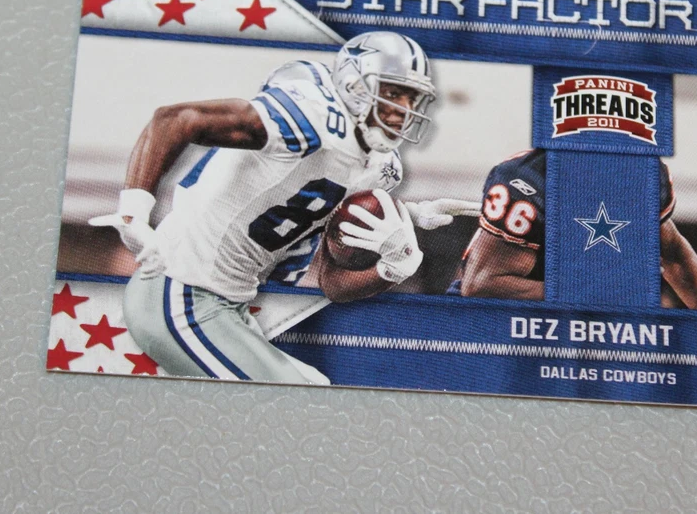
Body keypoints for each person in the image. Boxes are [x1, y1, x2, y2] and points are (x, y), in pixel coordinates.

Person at [90, 31, 440, 384]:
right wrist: (134, 209)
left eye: (413, 99)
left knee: (318, 387)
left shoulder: (381, 168)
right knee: (295, 399)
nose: (404, 111)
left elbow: (332, 284)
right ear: (354, 85)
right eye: (393, 94)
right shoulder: (312, 114)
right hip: (178, 293)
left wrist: (393, 266)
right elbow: (174, 119)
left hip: (227, 307)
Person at [451, 149, 697, 310]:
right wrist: (594, 292)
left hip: (574, 318)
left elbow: (674, 256)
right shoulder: (529, 181)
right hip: (493, 323)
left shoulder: (642, 177)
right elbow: (482, 285)